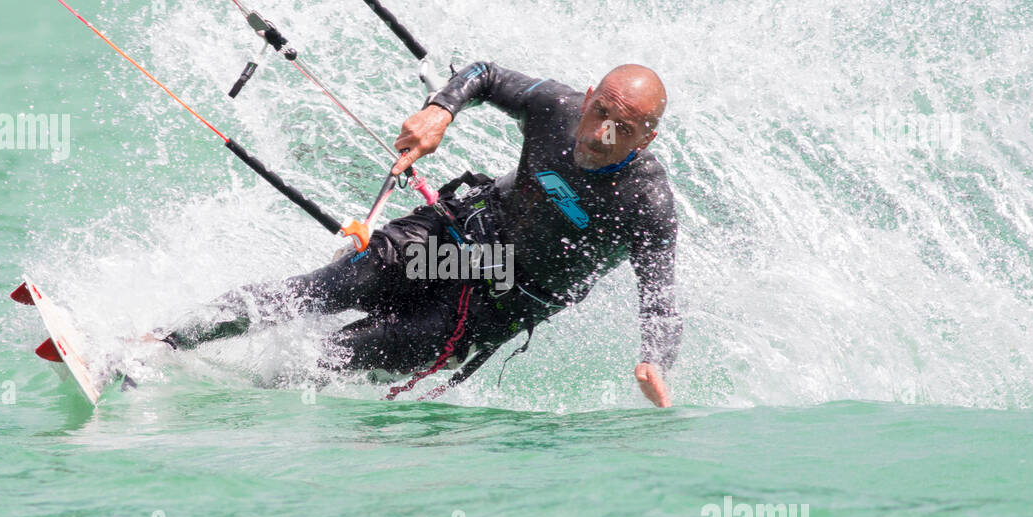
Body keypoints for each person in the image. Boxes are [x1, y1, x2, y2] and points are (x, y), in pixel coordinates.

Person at [156, 62, 682, 407]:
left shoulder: (646, 201)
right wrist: (440, 110)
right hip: (453, 237)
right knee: (318, 291)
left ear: (648, 137)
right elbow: (486, 74)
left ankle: (226, 400)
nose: (599, 134)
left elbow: (661, 299)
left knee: (333, 360)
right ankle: (159, 344)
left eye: (624, 129)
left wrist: (654, 359)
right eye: (600, 112)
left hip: (492, 306)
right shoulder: (557, 108)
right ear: (589, 96)